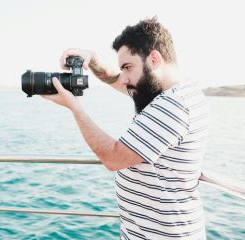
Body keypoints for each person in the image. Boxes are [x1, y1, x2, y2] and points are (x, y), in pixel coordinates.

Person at [42, 17, 209, 239]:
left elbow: (113, 157)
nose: (123, 77)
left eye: (128, 67)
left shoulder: (173, 105)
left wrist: (75, 107)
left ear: (154, 59)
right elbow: (112, 77)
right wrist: (90, 58)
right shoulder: (167, 93)